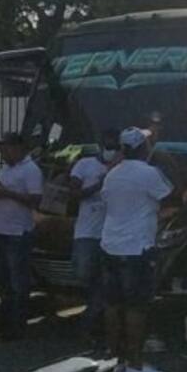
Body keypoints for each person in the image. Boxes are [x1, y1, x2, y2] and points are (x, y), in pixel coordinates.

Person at [101, 126, 174, 372]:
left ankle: (114, 360)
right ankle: (135, 364)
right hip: (137, 247)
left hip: (110, 245)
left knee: (112, 305)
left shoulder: (112, 174)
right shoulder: (149, 173)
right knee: (136, 307)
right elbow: (170, 197)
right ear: (144, 148)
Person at [0, 131, 43, 339]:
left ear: (18, 148)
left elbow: (35, 200)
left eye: (5, 148)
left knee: (17, 280)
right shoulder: (6, 169)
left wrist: (7, 194)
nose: (2, 153)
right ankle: (6, 318)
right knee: (0, 279)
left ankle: (18, 324)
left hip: (17, 233)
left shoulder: (30, 170)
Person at [70, 129, 120, 344]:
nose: (111, 150)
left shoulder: (123, 168)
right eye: (108, 146)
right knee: (83, 272)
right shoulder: (84, 165)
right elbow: (74, 194)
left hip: (111, 234)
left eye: (114, 146)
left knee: (106, 282)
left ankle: (93, 323)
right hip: (86, 232)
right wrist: (99, 184)